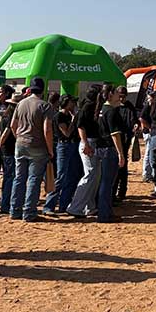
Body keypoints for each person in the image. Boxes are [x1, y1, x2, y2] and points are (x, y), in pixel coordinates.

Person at [9, 78, 54, 221]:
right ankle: (29, 212)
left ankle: (15, 210)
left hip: (20, 144)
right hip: (37, 145)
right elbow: (47, 130)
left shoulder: (21, 103)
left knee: (19, 178)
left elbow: (12, 125)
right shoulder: (45, 106)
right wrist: (50, 149)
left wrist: (19, 137)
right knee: (34, 180)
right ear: (42, 89)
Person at [66, 87, 104, 218]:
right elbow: (80, 126)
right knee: (90, 175)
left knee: (95, 176)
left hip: (92, 142)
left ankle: (90, 206)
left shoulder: (92, 106)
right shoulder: (88, 107)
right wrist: (86, 143)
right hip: (88, 143)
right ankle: (75, 207)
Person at [43, 95, 81, 214]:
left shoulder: (68, 115)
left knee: (71, 176)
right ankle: (49, 206)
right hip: (64, 146)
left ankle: (64, 205)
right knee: (60, 176)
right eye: (72, 102)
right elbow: (67, 133)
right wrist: (74, 119)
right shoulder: (59, 116)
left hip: (72, 145)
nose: (73, 105)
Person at [94, 85, 127, 223]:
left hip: (101, 149)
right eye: (116, 94)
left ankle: (105, 212)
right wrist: (121, 153)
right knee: (107, 184)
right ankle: (104, 214)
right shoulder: (111, 112)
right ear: (110, 94)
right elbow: (115, 134)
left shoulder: (102, 109)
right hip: (109, 149)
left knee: (104, 182)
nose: (118, 96)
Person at [112, 87, 138, 204]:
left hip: (125, 139)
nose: (121, 98)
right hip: (115, 139)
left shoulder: (129, 107)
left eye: (123, 96)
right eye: (120, 96)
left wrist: (135, 126)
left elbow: (134, 120)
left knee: (122, 165)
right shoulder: (114, 106)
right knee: (116, 166)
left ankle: (121, 191)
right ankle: (113, 191)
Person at [140, 90, 156, 183]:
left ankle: (151, 175)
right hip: (150, 132)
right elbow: (141, 118)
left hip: (155, 133)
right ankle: (148, 174)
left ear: (155, 98)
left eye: (150, 98)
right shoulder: (149, 106)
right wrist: (148, 128)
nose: (148, 99)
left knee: (151, 154)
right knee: (149, 154)